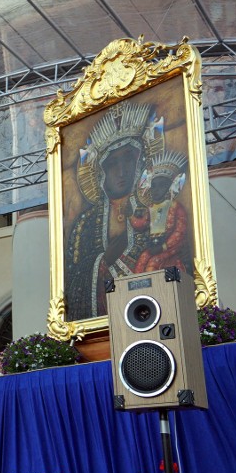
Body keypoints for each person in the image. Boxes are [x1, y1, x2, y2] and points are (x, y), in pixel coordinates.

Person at [65, 102, 155, 319]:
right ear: (99, 172)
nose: (122, 171)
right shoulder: (85, 223)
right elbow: (75, 277)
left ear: (140, 162)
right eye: (113, 164)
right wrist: (102, 261)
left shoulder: (155, 209)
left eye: (128, 159)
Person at [132, 151, 190, 274]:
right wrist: (130, 216)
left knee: (153, 264)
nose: (156, 190)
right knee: (141, 262)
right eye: (154, 186)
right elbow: (142, 224)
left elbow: (179, 231)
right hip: (153, 245)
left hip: (170, 246)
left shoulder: (175, 207)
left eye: (161, 186)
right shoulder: (150, 207)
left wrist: (163, 246)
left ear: (169, 187)